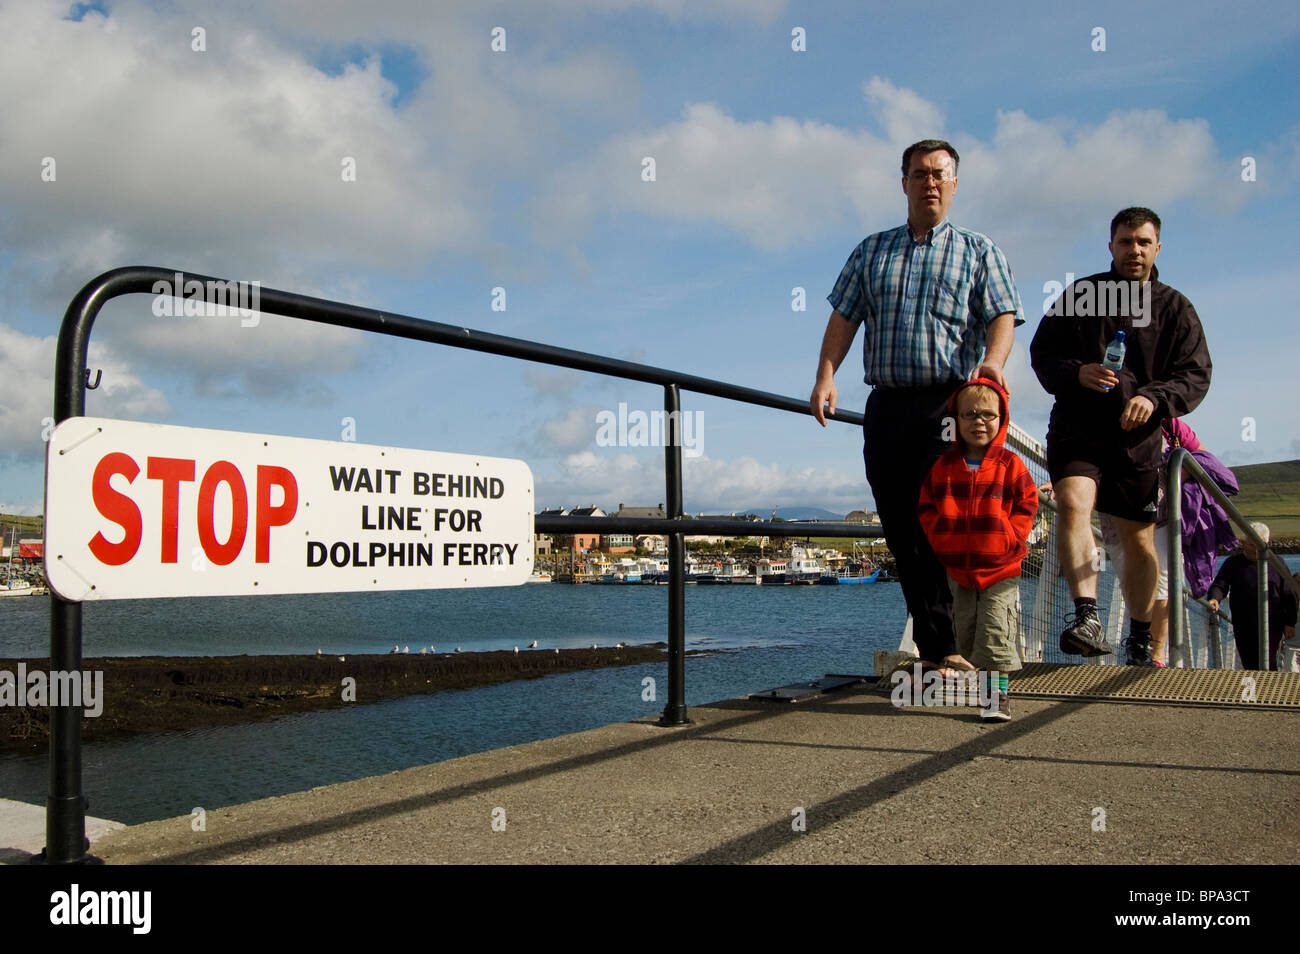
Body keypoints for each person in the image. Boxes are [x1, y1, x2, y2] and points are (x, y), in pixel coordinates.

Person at [811, 139, 1023, 676]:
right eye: (920, 173)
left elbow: (1002, 314)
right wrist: (826, 376)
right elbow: (844, 318)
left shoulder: (980, 251)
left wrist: (994, 364)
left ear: (955, 184)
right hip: (886, 406)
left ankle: (949, 647)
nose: (930, 182)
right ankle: (939, 648)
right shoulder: (871, 250)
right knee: (902, 527)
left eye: (940, 174)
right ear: (902, 182)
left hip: (948, 405)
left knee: (944, 523)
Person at [1029, 207, 1211, 666]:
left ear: (1157, 247)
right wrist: (1077, 372)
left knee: (1139, 541)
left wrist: (1154, 397)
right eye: (1126, 241)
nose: (1134, 250)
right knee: (1072, 505)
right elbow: (1043, 353)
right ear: (1111, 245)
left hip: (1138, 439)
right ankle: (1087, 616)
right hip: (1077, 429)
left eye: (1143, 242)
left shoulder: (1175, 308)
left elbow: (1195, 374)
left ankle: (1140, 634)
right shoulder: (1080, 295)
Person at [918, 379, 1038, 720]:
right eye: (969, 414)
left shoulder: (1010, 464)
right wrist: (941, 538)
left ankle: (997, 698)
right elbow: (927, 507)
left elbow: (1028, 504)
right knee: (968, 633)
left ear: (1002, 419)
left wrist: (1012, 537)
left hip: (1001, 567)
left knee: (996, 632)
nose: (979, 421)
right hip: (959, 569)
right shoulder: (944, 467)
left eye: (988, 414)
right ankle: (986, 691)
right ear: (955, 419)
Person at [1206, 523, 1298, 671]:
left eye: (1259, 545)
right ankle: (1259, 691)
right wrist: (1214, 598)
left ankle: (1268, 691)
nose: (1255, 550)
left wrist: (1290, 623)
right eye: (1251, 545)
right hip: (1244, 624)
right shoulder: (1233, 563)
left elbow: (1289, 593)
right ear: (1243, 543)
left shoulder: (1277, 562)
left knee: (1268, 662)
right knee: (1250, 663)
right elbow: (1220, 585)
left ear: (1267, 543)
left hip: (1273, 623)